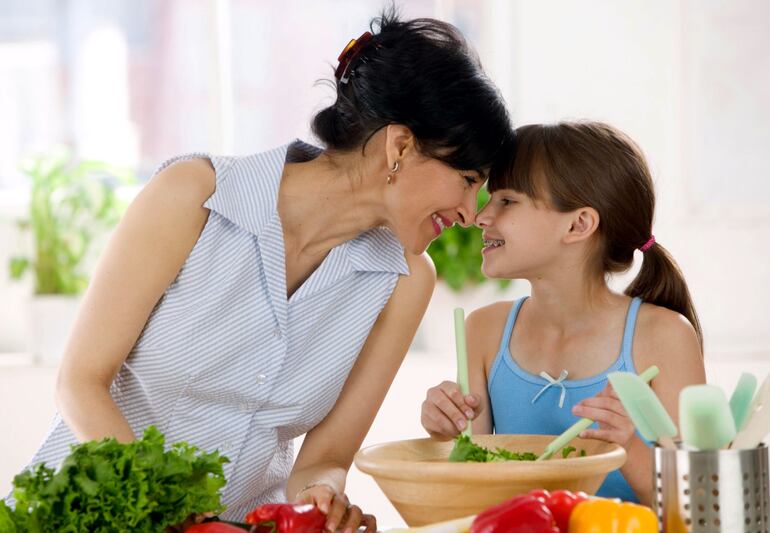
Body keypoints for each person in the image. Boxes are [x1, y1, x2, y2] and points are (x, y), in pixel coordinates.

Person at [12, 9, 512, 531]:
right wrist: (172, 514)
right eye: (467, 178)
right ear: (401, 146)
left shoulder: (406, 282)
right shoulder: (195, 195)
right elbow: (81, 383)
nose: (472, 212)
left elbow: (324, 459)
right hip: (85, 515)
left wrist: (323, 499)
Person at [420, 122, 706, 505]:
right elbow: (477, 490)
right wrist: (449, 434)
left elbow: (698, 508)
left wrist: (628, 449)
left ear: (578, 224)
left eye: (507, 201)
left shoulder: (665, 337)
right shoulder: (484, 331)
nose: (481, 217)